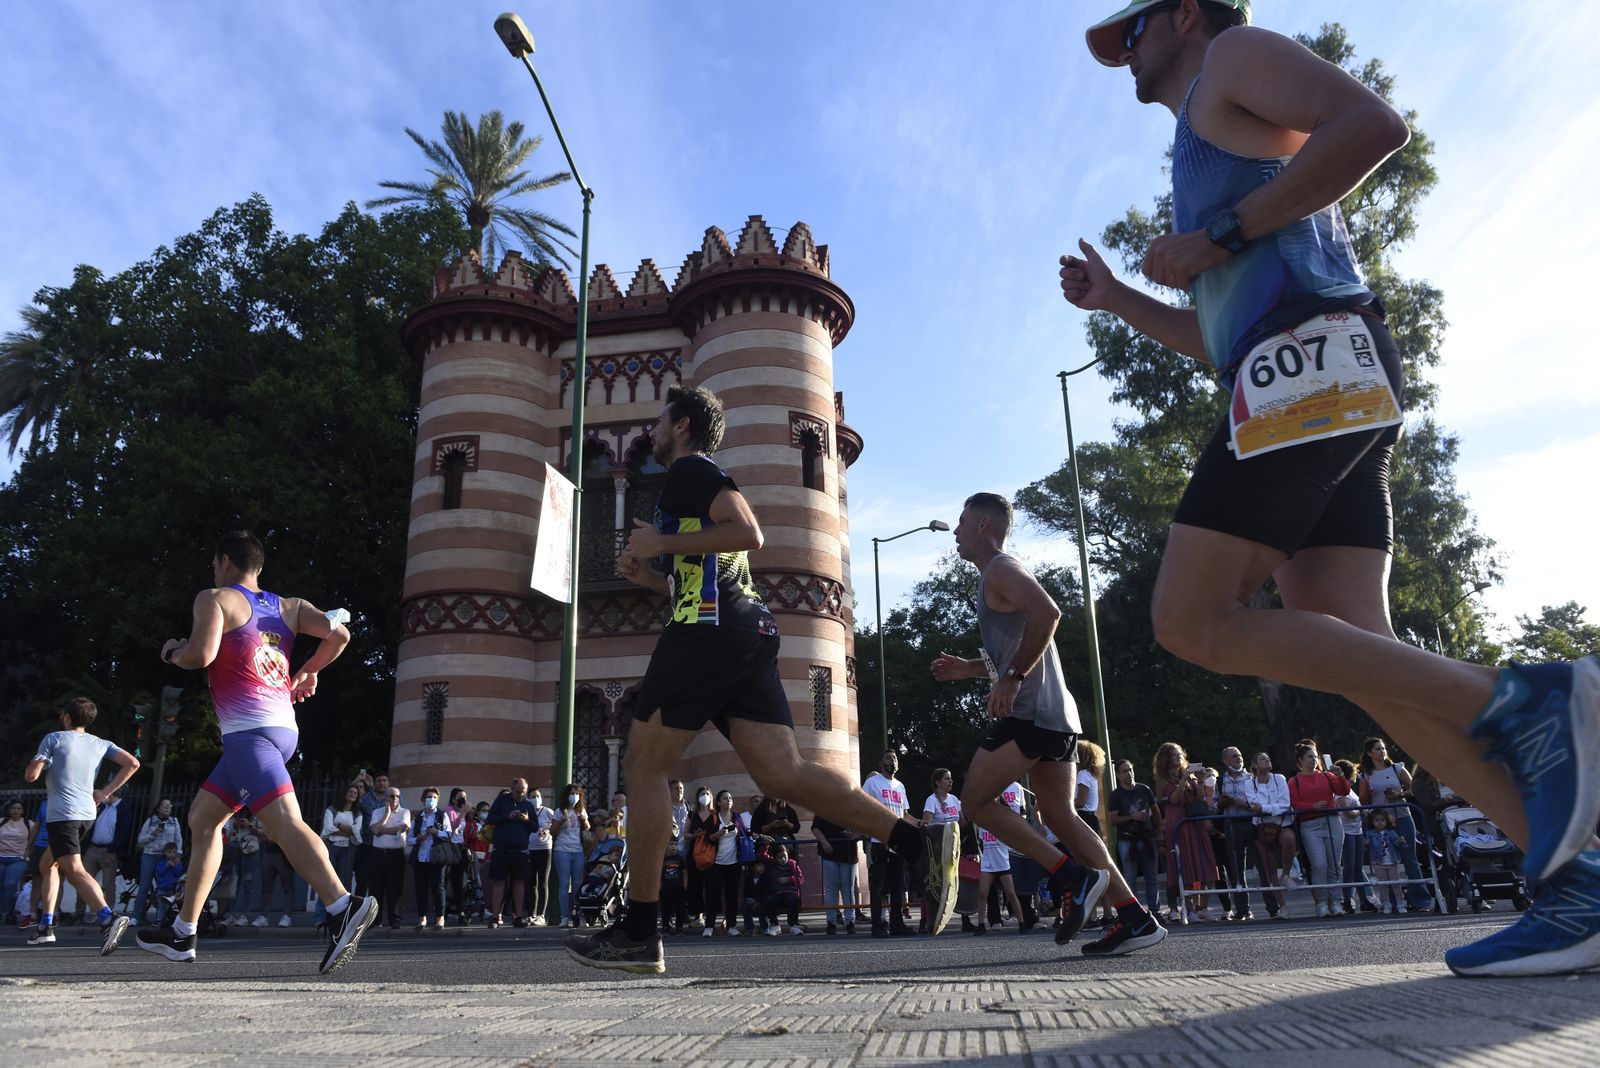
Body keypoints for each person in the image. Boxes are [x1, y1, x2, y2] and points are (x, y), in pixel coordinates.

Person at [1066, 0, 1600, 977]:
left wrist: (1219, 231)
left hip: (1307, 366)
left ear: (1183, 13)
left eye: (1130, 31)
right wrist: (1122, 299)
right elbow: (1215, 339)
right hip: (1294, 373)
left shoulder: (1234, 56)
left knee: (1190, 619)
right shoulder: (1205, 136)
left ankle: (1529, 697)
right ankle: (1579, 888)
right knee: (1361, 658)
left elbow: (1374, 127)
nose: (1121, 55)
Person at [565, 385, 946, 974]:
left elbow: (748, 532)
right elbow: (687, 579)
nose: (653, 430)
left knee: (644, 764)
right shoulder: (684, 491)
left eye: (662, 420)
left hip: (707, 632)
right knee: (782, 773)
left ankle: (639, 930)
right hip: (744, 629)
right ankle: (915, 839)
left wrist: (662, 541)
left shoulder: (692, 469)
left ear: (684, 425)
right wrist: (645, 570)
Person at [934, 493, 1166, 956]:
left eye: (961, 522)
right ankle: (1135, 918)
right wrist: (972, 668)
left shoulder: (1001, 568)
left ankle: (1070, 875)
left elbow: (1049, 614)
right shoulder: (995, 576)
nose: (956, 531)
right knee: (1060, 815)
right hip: (1056, 714)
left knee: (975, 801)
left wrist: (1013, 679)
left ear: (982, 525)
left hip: (1032, 711)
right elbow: (1020, 642)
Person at [135, 533, 375, 971]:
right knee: (202, 819)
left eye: (214, 565)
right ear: (258, 566)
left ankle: (343, 906)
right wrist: (307, 671)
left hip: (248, 736)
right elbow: (339, 635)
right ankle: (183, 931)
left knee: (283, 823)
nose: (213, 572)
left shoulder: (216, 598)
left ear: (224, 562)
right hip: (281, 729)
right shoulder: (291, 607)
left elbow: (201, 655)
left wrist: (171, 652)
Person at [23, 696, 141, 952]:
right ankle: (46, 926)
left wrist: (38, 761)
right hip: (87, 814)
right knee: (47, 864)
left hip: (63, 816)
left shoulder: (54, 738)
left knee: (74, 870)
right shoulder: (100, 743)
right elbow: (133, 763)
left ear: (66, 717)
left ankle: (108, 918)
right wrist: (104, 793)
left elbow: (31, 776)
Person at [1358, 737, 1432, 912]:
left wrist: (1400, 794)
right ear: (1369, 753)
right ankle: (1390, 902)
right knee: (1384, 861)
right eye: (1377, 749)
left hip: (1402, 816)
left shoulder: (1397, 768)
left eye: (1383, 748)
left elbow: (1413, 789)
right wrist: (1364, 790)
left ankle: (1420, 901)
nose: (1382, 752)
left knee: (1410, 859)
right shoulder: (1365, 775)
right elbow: (1364, 801)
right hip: (1380, 823)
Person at [1154, 742, 1217, 922]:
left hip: (1195, 822)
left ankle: (1202, 907)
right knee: (1186, 866)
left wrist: (1201, 780)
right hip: (1178, 822)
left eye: (1180, 754)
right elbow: (1174, 800)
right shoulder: (1163, 778)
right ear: (1167, 758)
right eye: (1175, 755)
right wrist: (1183, 780)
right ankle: (1190, 910)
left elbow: (1198, 799)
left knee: (1207, 863)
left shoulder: (1189, 775)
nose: (1179, 757)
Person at [1288, 742, 1351, 918]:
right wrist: (1312, 806)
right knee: (1319, 865)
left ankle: (1336, 902)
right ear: (1300, 760)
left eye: (1315, 756)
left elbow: (1344, 791)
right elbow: (1294, 802)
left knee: (1334, 865)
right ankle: (1321, 903)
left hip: (1332, 822)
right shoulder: (1294, 781)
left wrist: (1340, 777)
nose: (1314, 759)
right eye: (1310, 756)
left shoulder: (1327, 775)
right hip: (1310, 825)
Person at [862, 751, 913, 937]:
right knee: (878, 887)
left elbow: (904, 814)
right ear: (881, 763)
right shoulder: (872, 783)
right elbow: (864, 807)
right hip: (879, 841)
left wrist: (921, 823)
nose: (892, 761)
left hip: (897, 843)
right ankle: (878, 925)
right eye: (888, 758)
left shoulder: (900, 786)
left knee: (897, 886)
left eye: (895, 758)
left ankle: (897, 924)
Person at [1107, 759, 1162, 914]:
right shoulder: (1115, 795)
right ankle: (1135, 912)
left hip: (1147, 837)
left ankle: (1155, 911)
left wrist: (1159, 832)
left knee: (1151, 877)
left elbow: (1156, 811)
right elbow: (1113, 820)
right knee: (1130, 879)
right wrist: (1132, 817)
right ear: (1118, 775)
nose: (1129, 774)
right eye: (1124, 771)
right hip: (1127, 839)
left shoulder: (1144, 789)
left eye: (1130, 770)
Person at [1244, 751, 1295, 918]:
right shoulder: (1249, 783)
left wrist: (1265, 808)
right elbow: (1253, 805)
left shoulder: (1279, 778)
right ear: (1255, 765)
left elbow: (1285, 804)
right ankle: (1283, 906)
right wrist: (1270, 808)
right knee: (1269, 866)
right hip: (1261, 828)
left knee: (1289, 839)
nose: (1267, 760)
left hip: (1282, 824)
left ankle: (1286, 874)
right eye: (1262, 759)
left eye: (1268, 757)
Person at [484, 778, 537, 928]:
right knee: (499, 882)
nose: (521, 795)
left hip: (520, 850)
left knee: (519, 883)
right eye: (518, 792)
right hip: (501, 849)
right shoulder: (501, 801)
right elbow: (490, 819)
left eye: (524, 792)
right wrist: (507, 816)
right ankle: (495, 917)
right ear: (511, 789)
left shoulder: (528, 804)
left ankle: (518, 917)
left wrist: (526, 820)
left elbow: (535, 827)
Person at [74, 789, 132, 923]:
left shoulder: (123, 809)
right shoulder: (104, 808)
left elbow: (123, 832)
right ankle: (79, 912)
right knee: (83, 880)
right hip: (93, 849)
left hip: (108, 851)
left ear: (111, 794)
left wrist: (112, 851)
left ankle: (108, 914)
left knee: (107, 884)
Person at [1215, 747, 1255, 921]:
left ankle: (1274, 908)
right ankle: (1242, 909)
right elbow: (1215, 805)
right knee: (1236, 869)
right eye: (1233, 756)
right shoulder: (1219, 780)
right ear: (1226, 761)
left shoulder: (1252, 777)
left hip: (1251, 822)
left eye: (1239, 755)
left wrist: (1244, 803)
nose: (1238, 758)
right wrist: (1224, 804)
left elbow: (1259, 800)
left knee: (1262, 863)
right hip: (1231, 824)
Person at [1335, 758, 1379, 914]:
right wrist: (1362, 811)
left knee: (1358, 867)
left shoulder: (1350, 790)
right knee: (1349, 867)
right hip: (1346, 830)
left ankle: (1364, 899)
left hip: (1357, 830)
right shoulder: (1341, 792)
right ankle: (1347, 899)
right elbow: (1348, 811)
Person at [317, 785, 363, 931]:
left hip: (348, 849)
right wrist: (347, 830)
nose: (353, 794)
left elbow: (357, 833)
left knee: (345, 883)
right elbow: (327, 829)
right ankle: (321, 918)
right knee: (326, 881)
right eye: (350, 791)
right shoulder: (332, 810)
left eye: (355, 793)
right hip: (332, 847)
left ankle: (343, 919)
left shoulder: (357, 814)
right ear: (344, 793)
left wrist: (339, 826)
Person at [700, 790, 743, 939]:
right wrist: (718, 835)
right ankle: (709, 926)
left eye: (730, 798)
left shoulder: (737, 817)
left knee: (731, 896)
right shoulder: (713, 818)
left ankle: (731, 926)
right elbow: (707, 839)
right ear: (718, 802)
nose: (728, 800)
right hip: (715, 863)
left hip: (733, 863)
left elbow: (744, 835)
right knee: (713, 895)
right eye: (725, 798)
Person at [133, 799, 183, 922]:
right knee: (144, 886)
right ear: (158, 808)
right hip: (150, 855)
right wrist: (153, 834)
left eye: (169, 806)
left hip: (167, 857)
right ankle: (136, 916)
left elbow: (178, 840)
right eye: (164, 806)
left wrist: (178, 855)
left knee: (167, 886)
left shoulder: (174, 821)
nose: (167, 808)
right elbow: (140, 840)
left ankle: (162, 917)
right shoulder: (150, 821)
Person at [812, 810, 861, 935]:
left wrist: (855, 835)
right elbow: (815, 828)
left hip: (848, 851)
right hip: (829, 852)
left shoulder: (851, 806)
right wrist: (824, 842)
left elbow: (864, 826)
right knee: (832, 889)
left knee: (847, 889)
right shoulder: (824, 806)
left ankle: (850, 922)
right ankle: (831, 922)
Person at [411, 786, 453, 931]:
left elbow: (448, 835)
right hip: (420, 858)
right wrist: (417, 839)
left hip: (437, 858)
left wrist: (436, 832)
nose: (432, 800)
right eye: (429, 797)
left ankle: (440, 917)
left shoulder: (442, 815)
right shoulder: (418, 818)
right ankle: (422, 918)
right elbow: (409, 839)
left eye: (434, 797)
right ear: (423, 801)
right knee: (420, 888)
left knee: (438, 887)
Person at [367, 787, 410, 928]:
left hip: (396, 855)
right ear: (386, 797)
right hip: (377, 854)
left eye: (397, 796)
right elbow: (374, 830)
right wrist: (386, 814)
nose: (394, 799)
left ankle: (395, 919)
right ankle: (375, 920)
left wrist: (381, 830)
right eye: (391, 796)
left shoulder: (405, 812)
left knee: (395, 888)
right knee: (376, 888)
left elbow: (403, 828)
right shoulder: (377, 812)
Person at [550, 784, 591, 929]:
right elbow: (552, 832)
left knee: (577, 885)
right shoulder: (559, 811)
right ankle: (564, 917)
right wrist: (561, 820)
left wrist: (583, 818)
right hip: (562, 850)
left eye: (576, 794)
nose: (573, 796)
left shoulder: (581, 810)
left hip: (578, 850)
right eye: (571, 793)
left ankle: (579, 916)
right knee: (563, 884)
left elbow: (587, 828)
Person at [523, 787, 555, 926]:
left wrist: (547, 830)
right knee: (531, 882)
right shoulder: (526, 812)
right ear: (528, 798)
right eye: (533, 796)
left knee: (543, 882)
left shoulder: (548, 812)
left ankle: (541, 915)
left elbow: (555, 827)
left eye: (538, 796)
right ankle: (531, 914)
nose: (536, 799)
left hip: (545, 849)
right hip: (530, 848)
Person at [1365, 809, 1407, 913]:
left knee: (1395, 884)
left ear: (1387, 821)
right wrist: (1366, 843)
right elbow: (1367, 845)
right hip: (1378, 863)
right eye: (1376, 820)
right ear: (1372, 822)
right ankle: (1386, 903)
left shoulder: (1391, 832)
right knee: (1383, 884)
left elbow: (1397, 843)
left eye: (1382, 820)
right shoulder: (1370, 833)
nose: (1379, 822)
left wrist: (1400, 841)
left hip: (1392, 862)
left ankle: (1400, 903)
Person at [0, 801, 35, 925]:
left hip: (18, 858)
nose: (16, 810)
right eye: (13, 808)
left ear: (22, 811)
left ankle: (6, 912)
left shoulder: (28, 824)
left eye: (19, 808)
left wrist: (29, 852)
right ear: (9, 810)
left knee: (9, 884)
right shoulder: (2, 822)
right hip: (1, 857)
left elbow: (36, 838)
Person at [760, 842, 805, 936]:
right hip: (778, 893)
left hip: (790, 892)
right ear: (776, 858)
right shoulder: (772, 864)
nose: (783, 859)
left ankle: (793, 925)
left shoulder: (793, 863)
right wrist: (766, 844)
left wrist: (789, 879)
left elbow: (800, 879)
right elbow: (763, 855)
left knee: (793, 899)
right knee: (769, 900)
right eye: (780, 857)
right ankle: (775, 925)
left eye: (785, 856)